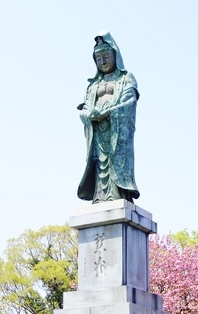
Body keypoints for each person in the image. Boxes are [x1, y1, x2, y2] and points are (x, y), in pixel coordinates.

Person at [77, 31, 140, 204]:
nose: (103, 62)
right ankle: (100, 197)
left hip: (117, 131)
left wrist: (108, 112)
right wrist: (88, 114)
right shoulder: (93, 85)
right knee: (98, 164)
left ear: (115, 55)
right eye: (98, 59)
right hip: (98, 132)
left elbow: (129, 102)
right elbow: (85, 106)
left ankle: (118, 194)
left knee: (115, 162)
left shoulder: (126, 78)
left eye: (106, 56)